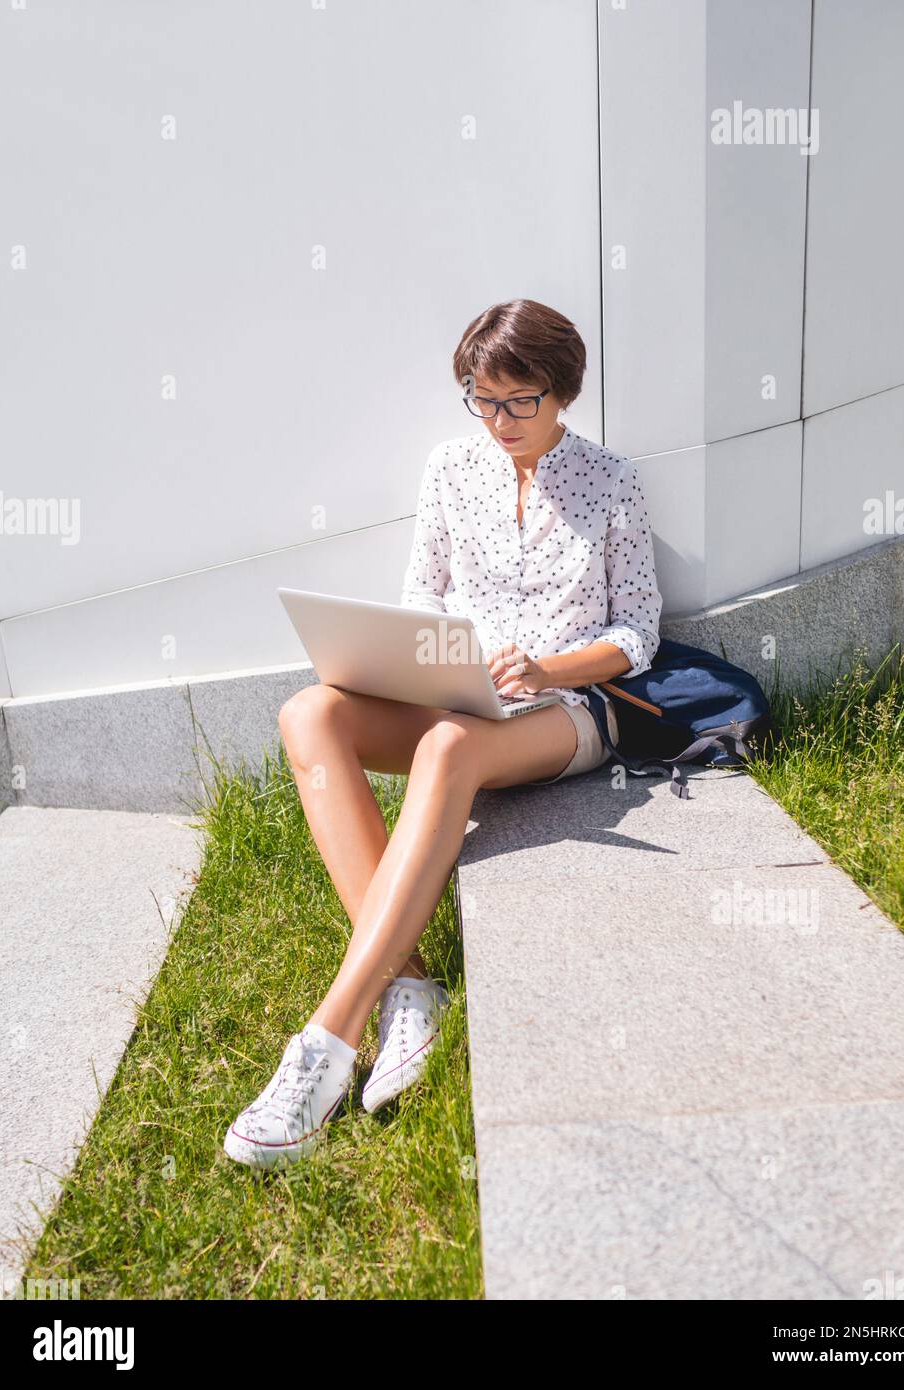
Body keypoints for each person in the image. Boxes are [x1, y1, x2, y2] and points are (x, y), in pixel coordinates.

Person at [224, 298, 662, 1170]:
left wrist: (545, 670)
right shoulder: (450, 468)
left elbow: (638, 634)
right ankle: (413, 989)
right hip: (457, 698)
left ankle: (327, 1041)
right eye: (482, 400)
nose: (499, 422)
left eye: (518, 402)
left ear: (562, 391)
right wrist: (421, 660)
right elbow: (421, 595)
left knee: (449, 748)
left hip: (567, 714)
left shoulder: (611, 481)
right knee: (309, 711)